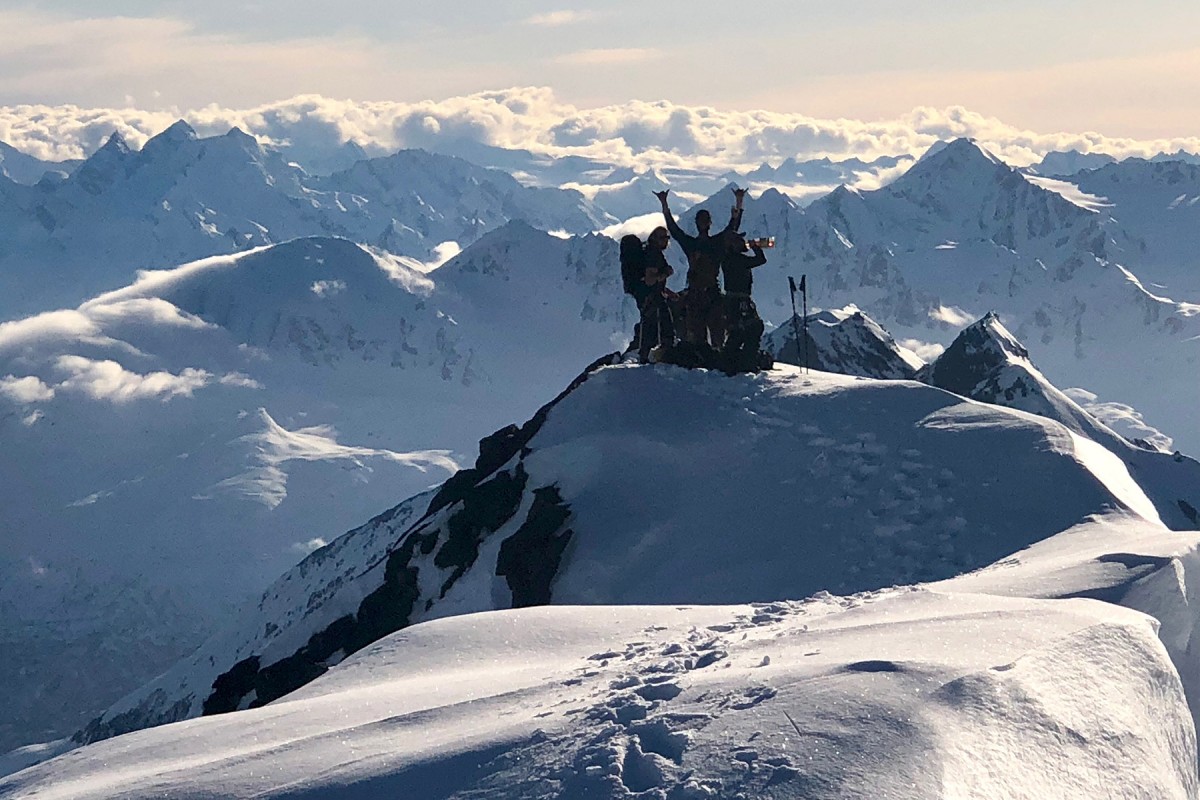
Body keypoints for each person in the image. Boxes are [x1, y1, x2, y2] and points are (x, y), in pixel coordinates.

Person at [654, 187, 745, 350]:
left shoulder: (692, 244)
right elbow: (732, 227)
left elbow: (674, 230)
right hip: (709, 294)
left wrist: (664, 205)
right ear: (709, 223)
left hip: (698, 295)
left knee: (701, 339)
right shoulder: (715, 243)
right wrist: (739, 202)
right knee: (714, 339)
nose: (703, 223)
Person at [721, 233, 768, 370]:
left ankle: (730, 361)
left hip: (732, 300)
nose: (743, 244)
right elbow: (761, 260)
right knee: (753, 328)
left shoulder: (728, 259)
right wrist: (756, 247)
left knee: (737, 330)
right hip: (740, 300)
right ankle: (747, 361)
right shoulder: (737, 260)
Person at [636, 226, 677, 362]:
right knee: (663, 327)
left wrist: (668, 292)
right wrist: (666, 273)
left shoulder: (650, 252)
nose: (666, 241)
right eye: (663, 238)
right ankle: (662, 355)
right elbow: (650, 280)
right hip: (654, 298)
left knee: (649, 327)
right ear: (655, 239)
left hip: (651, 297)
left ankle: (646, 356)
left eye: (667, 238)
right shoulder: (653, 255)